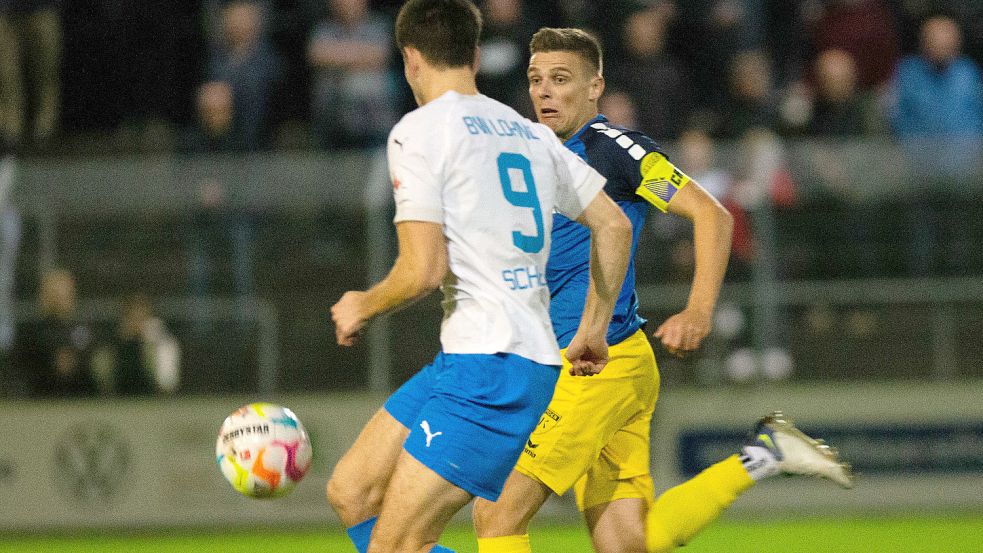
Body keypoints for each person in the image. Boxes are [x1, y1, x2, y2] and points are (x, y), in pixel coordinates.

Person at [470, 28, 854, 553]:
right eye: (536, 80)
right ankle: (764, 454)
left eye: (561, 80)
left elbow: (710, 215)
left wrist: (698, 310)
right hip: (597, 361)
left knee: (496, 515)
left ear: (594, 87)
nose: (544, 92)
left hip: (593, 365)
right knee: (630, 544)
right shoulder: (532, 152)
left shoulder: (615, 151)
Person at [325, 2, 633, 553]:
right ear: (473, 54)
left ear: (410, 59)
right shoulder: (530, 135)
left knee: (394, 546)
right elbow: (613, 226)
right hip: (478, 357)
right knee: (353, 491)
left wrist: (362, 304)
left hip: (493, 370)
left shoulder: (418, 132)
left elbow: (422, 271)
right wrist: (594, 328)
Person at [14, 268, 99, 398]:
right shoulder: (31, 332)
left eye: (66, 291)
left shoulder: (84, 327)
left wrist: (76, 362)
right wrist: (51, 363)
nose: (61, 297)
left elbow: (93, 360)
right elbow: (22, 370)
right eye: (56, 292)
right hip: (41, 399)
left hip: (82, 398)